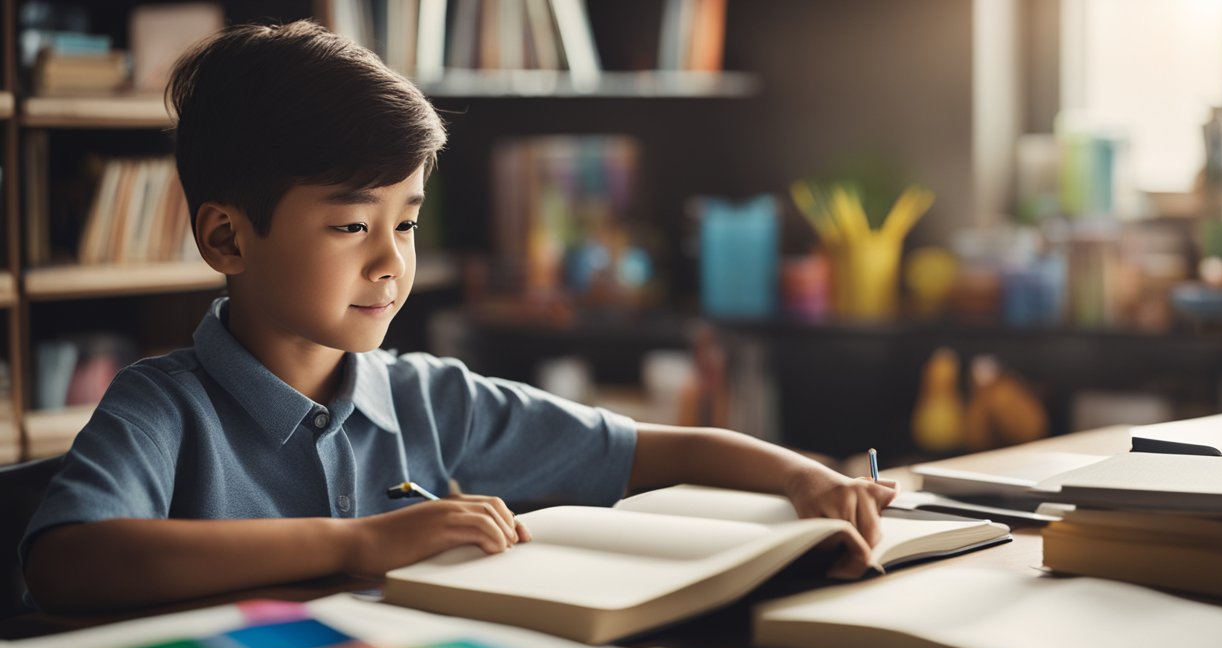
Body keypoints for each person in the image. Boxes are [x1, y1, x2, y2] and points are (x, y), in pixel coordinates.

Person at [21, 20, 897, 614]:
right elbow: (68, 562)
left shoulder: (433, 399)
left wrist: (802, 478)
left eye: (405, 222)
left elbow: (648, 449)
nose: (390, 260)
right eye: (351, 225)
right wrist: (358, 541)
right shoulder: (162, 406)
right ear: (227, 237)